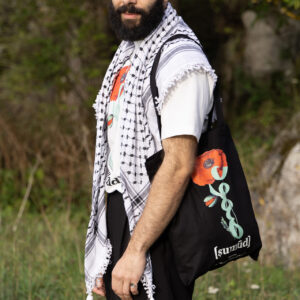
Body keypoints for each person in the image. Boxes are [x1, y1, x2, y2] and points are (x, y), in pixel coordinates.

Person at [84, 1, 218, 299]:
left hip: (161, 223)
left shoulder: (181, 62)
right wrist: (104, 255)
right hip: (124, 213)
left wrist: (135, 250)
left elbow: (179, 164)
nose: (128, 2)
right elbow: (115, 162)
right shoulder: (131, 52)